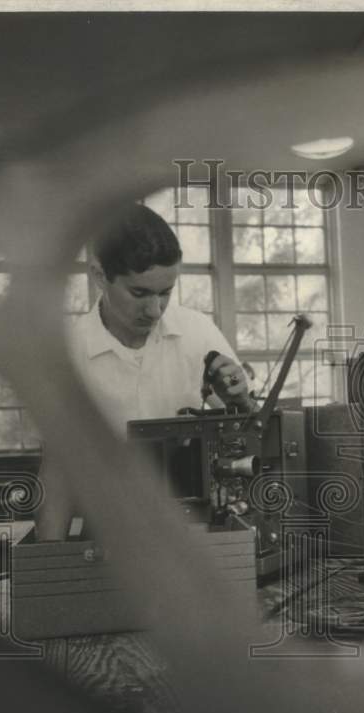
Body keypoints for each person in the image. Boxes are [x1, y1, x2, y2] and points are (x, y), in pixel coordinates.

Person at [36, 203, 253, 540]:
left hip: (196, 530)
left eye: (165, 293)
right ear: (99, 275)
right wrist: (49, 571)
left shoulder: (198, 332)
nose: (154, 310)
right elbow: (58, 473)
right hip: (108, 536)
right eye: (139, 293)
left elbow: (249, 441)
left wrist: (241, 402)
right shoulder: (67, 352)